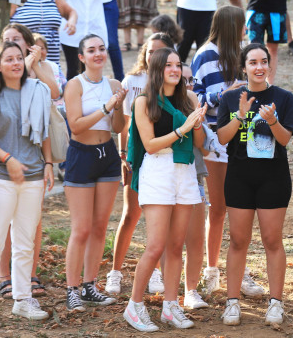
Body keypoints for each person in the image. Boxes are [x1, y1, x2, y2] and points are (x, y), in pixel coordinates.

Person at [217, 43, 293, 326]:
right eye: (253, 62)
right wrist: (241, 115)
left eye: (263, 61)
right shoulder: (230, 98)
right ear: (244, 67)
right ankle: (232, 303)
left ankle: (276, 303)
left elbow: (285, 139)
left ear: (269, 65)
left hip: (273, 177)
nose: (259, 67)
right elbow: (221, 139)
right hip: (239, 175)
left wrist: (273, 120)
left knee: (271, 240)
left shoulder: (283, 98)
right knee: (238, 240)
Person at [123, 47, 207, 332]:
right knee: (156, 245)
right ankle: (134, 306)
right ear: (157, 70)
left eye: (177, 65)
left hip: (184, 171)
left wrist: (197, 124)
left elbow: (200, 145)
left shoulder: (189, 99)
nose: (174, 70)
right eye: (168, 65)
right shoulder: (144, 101)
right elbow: (149, 145)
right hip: (158, 170)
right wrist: (184, 128)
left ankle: (171, 306)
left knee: (175, 245)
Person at [0, 41, 53, 328]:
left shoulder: (36, 91)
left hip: (33, 178)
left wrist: (48, 164)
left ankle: (22, 300)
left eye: (19, 58)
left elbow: (43, 130)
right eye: (8, 59)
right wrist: (8, 159)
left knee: (25, 242)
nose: (16, 63)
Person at [190, 6, 262, 297]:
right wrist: (229, 92)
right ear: (232, 26)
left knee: (239, 208)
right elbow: (197, 96)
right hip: (215, 138)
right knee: (218, 209)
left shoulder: (242, 51)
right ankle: (212, 271)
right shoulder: (206, 54)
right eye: (242, 25)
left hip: (243, 137)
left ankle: (239, 270)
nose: (245, 29)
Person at [107, 32, 175, 297]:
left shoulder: (172, 82)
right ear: (144, 54)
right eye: (149, 51)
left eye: (160, 52)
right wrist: (124, 155)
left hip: (162, 157)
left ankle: (155, 271)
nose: (153, 57)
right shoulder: (133, 81)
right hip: (136, 155)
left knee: (158, 218)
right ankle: (115, 271)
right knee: (131, 214)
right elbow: (124, 123)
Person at [0, 24, 59, 301]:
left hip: (34, 157)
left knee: (33, 220)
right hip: (4, 157)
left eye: (17, 40)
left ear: (28, 44)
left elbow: (55, 93)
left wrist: (35, 65)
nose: (12, 44)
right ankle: (4, 277)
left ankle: (30, 274)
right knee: (3, 219)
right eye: (7, 40)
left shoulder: (42, 68)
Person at [63, 35, 126, 312]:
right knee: (82, 228)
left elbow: (119, 126)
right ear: (82, 57)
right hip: (81, 155)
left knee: (100, 226)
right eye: (91, 50)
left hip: (108, 156)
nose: (98, 54)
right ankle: (72, 289)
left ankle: (90, 285)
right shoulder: (74, 85)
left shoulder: (114, 84)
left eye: (102, 49)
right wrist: (105, 106)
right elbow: (75, 126)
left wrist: (119, 104)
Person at [180, 61, 211, 309]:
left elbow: (203, 145)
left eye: (191, 80)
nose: (188, 85)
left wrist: (198, 122)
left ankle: (190, 290)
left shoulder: (194, 101)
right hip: (165, 179)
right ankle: (166, 286)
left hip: (194, 175)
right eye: (184, 80)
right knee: (169, 239)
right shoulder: (157, 102)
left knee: (196, 238)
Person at [10, 0, 77, 65]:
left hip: (51, 57)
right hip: (26, 56)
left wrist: (72, 22)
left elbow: (71, 12)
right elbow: (6, 20)